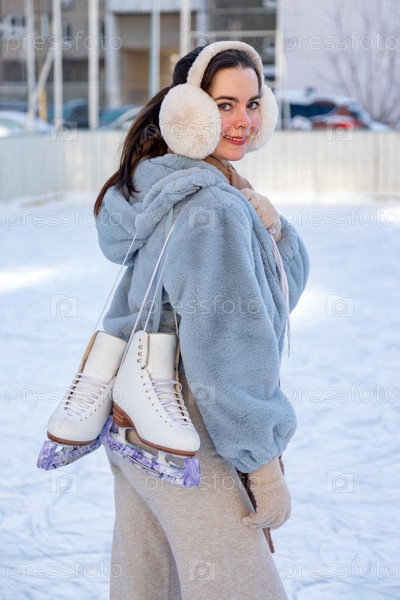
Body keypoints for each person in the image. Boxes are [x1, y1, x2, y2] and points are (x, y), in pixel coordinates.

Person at [94, 41, 309, 600]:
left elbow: (271, 292)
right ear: (187, 112)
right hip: (192, 425)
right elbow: (230, 345)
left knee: (148, 586)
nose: (243, 121)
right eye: (223, 105)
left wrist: (269, 226)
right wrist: (262, 464)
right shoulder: (212, 206)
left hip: (134, 418)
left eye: (252, 104)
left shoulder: (157, 186)